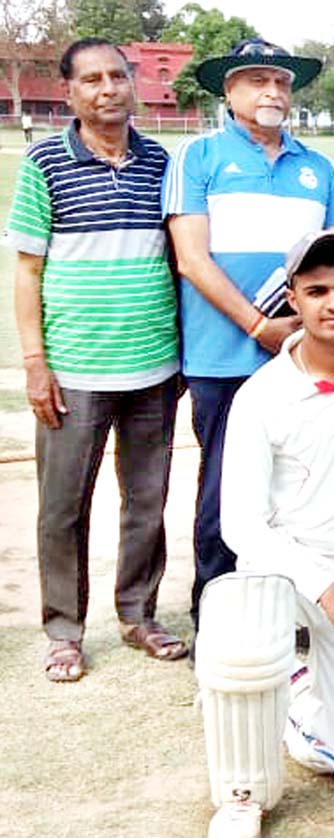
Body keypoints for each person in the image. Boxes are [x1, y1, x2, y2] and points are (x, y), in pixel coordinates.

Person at [201, 231, 334, 837]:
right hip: (286, 572)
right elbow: (242, 525)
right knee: (241, 642)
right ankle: (242, 790)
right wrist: (324, 588)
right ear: (292, 296)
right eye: (316, 290)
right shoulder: (260, 396)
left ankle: (306, 695)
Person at [8, 38, 183, 682]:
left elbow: (173, 258)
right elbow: (27, 271)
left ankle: (138, 614)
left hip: (154, 367)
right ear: (70, 92)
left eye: (117, 76)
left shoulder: (162, 161)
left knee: (147, 500)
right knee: (63, 506)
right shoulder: (45, 163)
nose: (108, 88)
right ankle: (64, 629)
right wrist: (35, 362)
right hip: (74, 371)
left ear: (132, 83)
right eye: (92, 80)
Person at [163, 38, 334, 627]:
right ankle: (218, 614)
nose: (272, 92)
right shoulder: (198, 157)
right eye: (256, 81)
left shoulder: (316, 167)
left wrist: (297, 327)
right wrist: (258, 326)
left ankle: (293, 612)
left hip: (301, 356)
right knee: (225, 487)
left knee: (299, 486)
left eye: (280, 82)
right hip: (222, 357)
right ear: (229, 91)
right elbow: (191, 260)